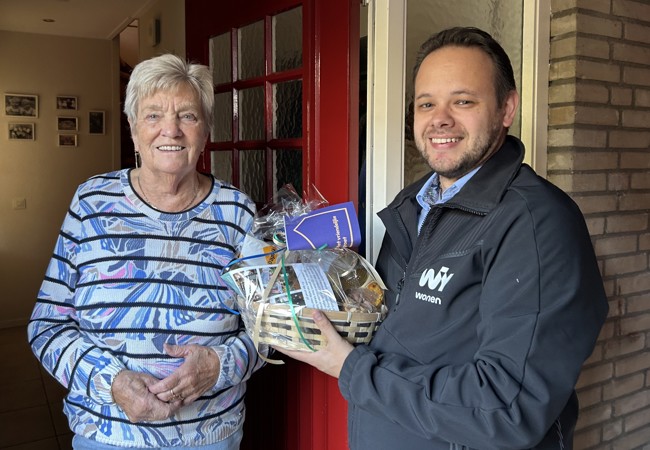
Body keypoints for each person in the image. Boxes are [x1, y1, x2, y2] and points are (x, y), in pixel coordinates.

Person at [274, 27, 609, 449]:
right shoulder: (414, 204)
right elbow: (407, 330)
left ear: (507, 108)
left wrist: (351, 368)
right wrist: (333, 291)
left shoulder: (538, 224)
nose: (440, 119)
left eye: (463, 101)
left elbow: (506, 408)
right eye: (426, 103)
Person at [27, 54, 266, 449]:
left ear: (205, 130)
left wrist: (219, 366)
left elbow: (269, 329)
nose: (170, 130)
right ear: (134, 129)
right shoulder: (92, 203)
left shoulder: (237, 212)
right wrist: (111, 382)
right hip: (106, 436)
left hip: (209, 437)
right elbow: (46, 325)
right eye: (153, 115)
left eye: (188, 116)